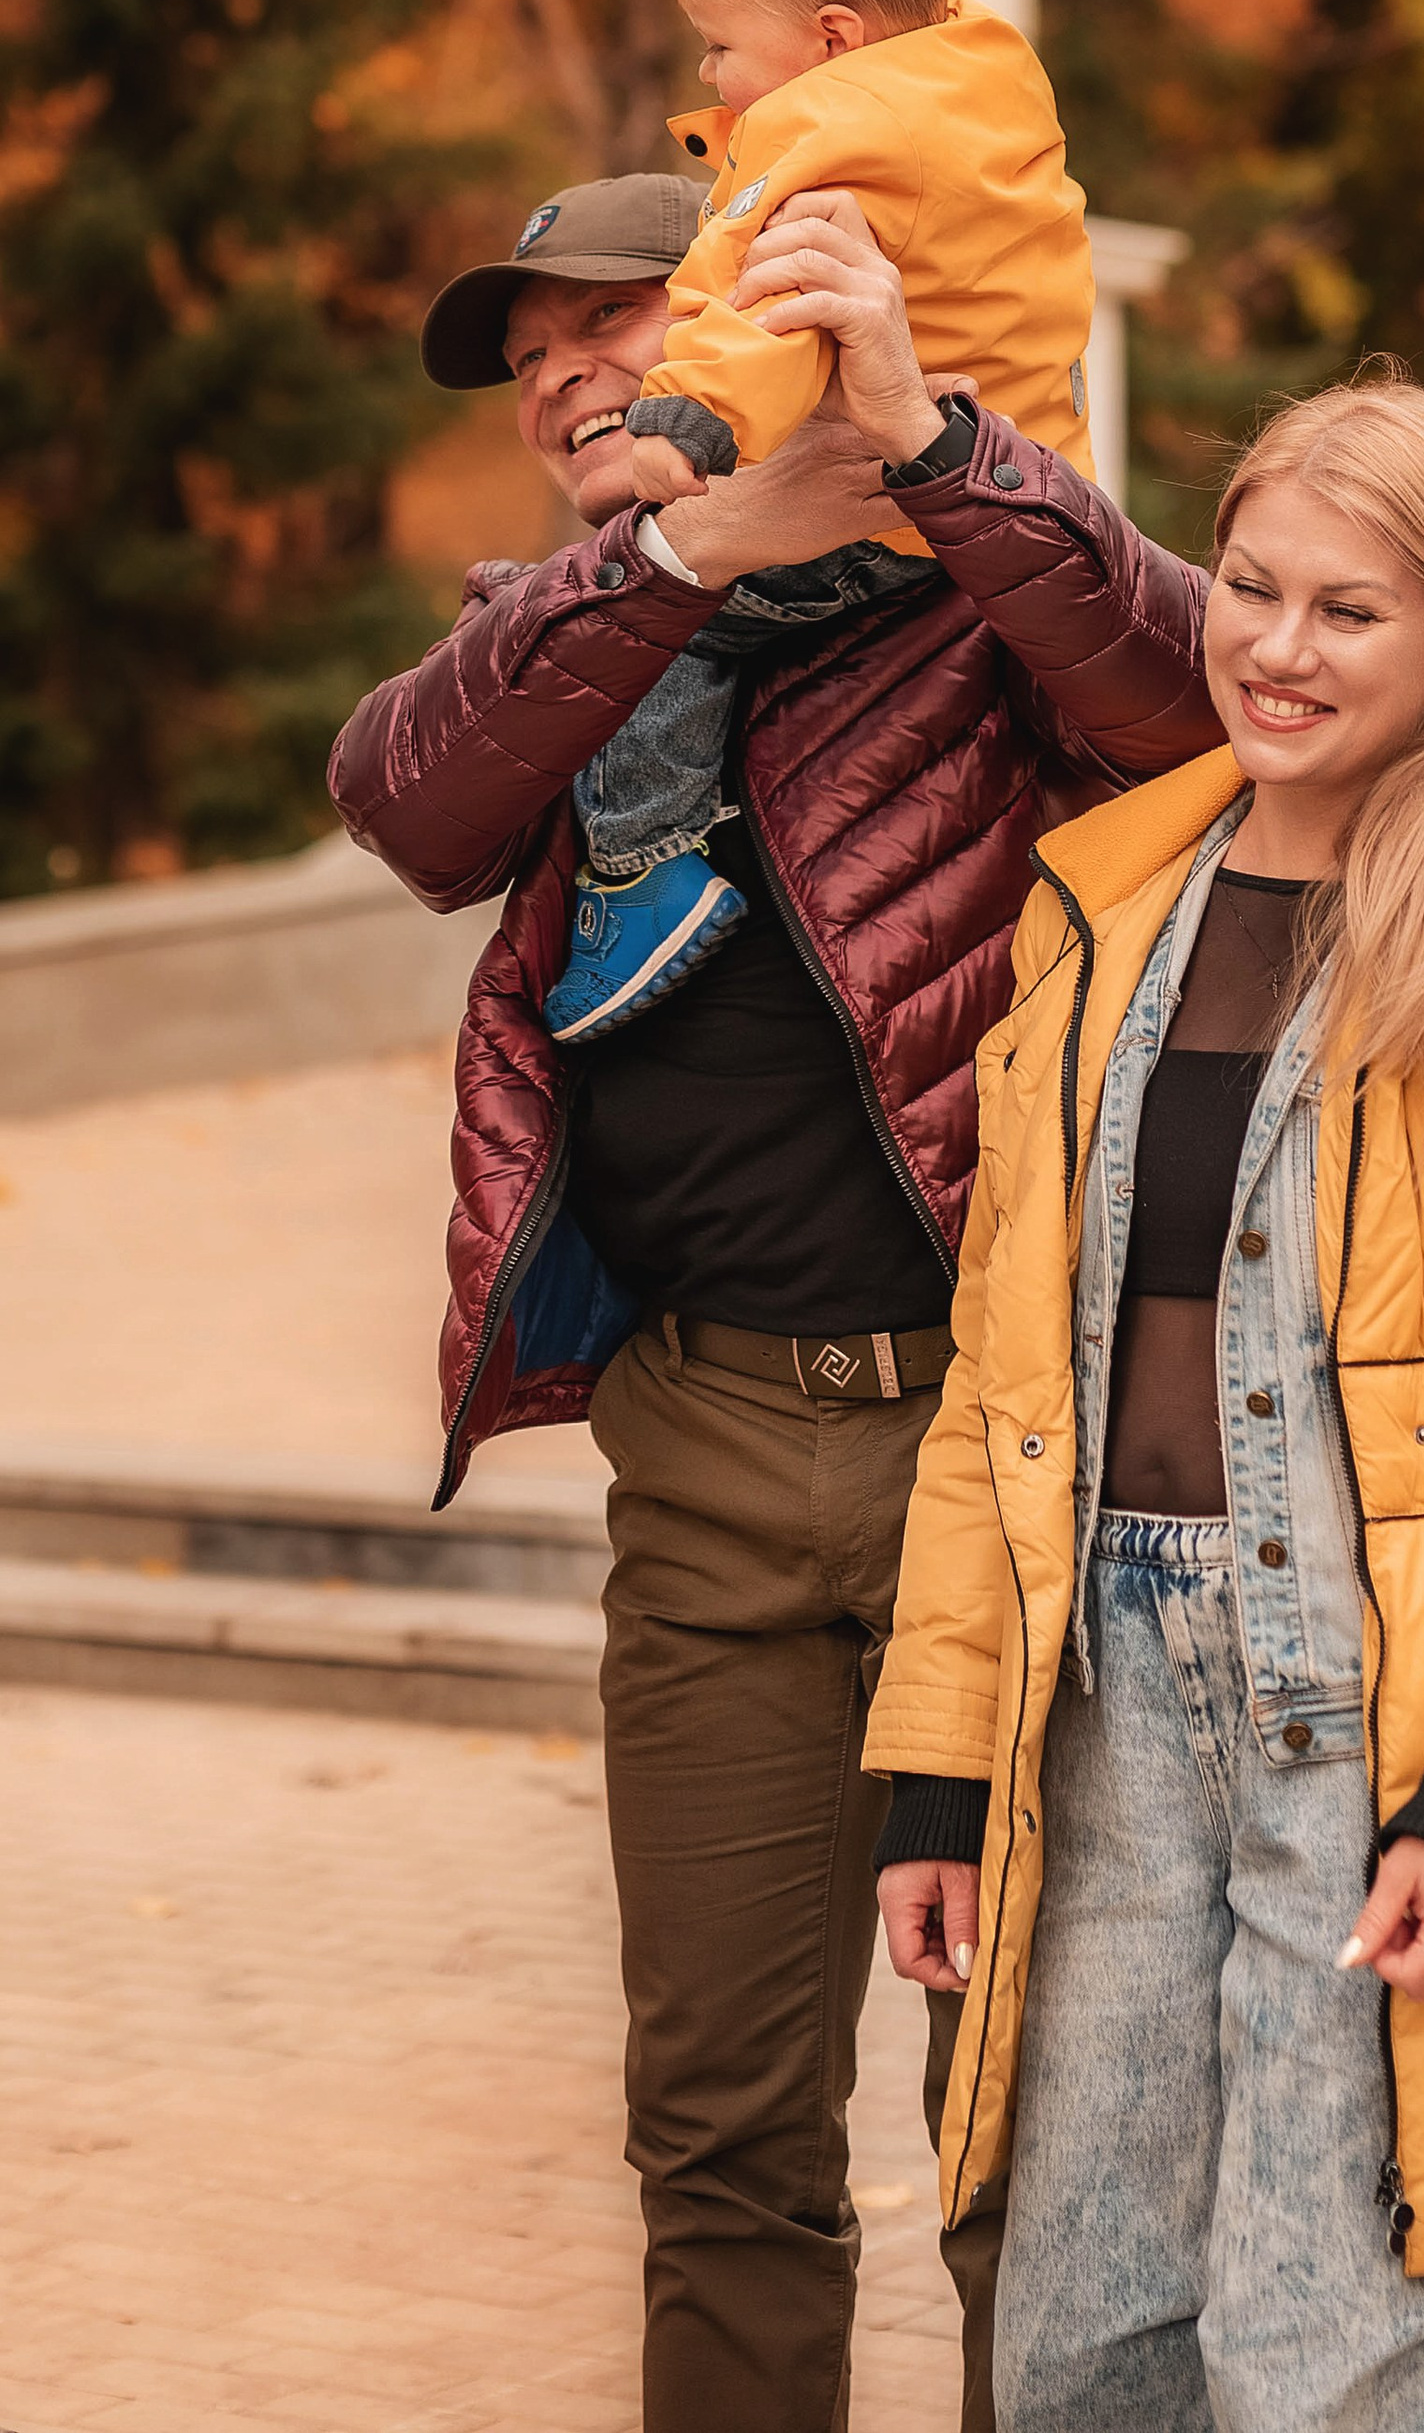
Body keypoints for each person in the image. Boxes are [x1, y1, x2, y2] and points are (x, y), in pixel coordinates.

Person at [327, 171, 1216, 2433]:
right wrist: (679, 554)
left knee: (1027, 2122)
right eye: (524, 358)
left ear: (746, 320)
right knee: (717, 2138)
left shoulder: (974, 601)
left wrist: (926, 445)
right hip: (703, 1464)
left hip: (994, 1470)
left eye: (605, 323)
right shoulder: (563, 626)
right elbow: (404, 802)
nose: (553, 380)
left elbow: (1196, 694)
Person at [865, 373, 1424, 2433]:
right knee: (1077, 2343)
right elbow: (1008, 1391)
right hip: (1105, 1727)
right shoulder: (1099, 916)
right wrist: (935, 1768)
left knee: (1323, 2352)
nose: (1273, 643)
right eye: (1250, 585)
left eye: (1349, 610)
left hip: (1380, 1730)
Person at [552, 0, 1097, 1038]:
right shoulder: (985, 80)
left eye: (719, 46)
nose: (707, 77)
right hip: (1011, 478)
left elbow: (763, 300)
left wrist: (682, 428)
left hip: (875, 513)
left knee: (652, 621)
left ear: (829, 39)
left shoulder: (824, 135)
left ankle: (643, 872)